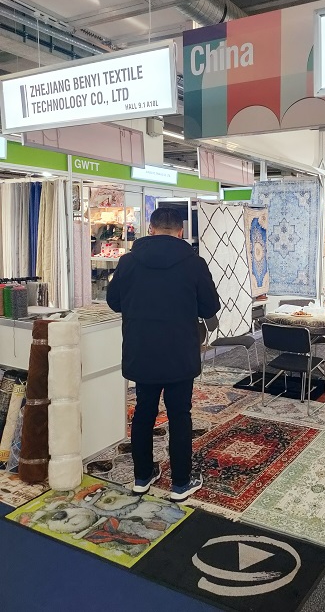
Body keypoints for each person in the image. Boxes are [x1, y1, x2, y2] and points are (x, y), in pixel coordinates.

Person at [107, 207, 220, 501]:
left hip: (141, 350)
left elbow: (114, 302)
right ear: (181, 232)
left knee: (143, 413)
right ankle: (180, 484)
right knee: (179, 415)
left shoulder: (128, 262)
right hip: (179, 353)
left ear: (151, 229)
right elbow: (210, 307)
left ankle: (142, 477)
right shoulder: (194, 264)